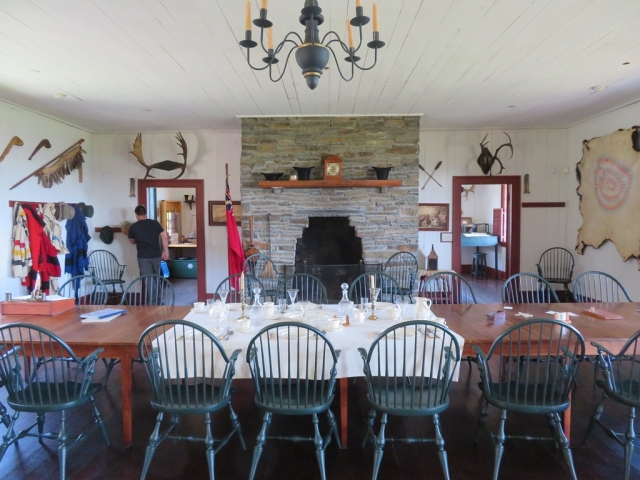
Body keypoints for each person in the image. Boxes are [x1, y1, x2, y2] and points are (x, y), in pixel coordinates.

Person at [128, 205, 169, 275]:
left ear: (136, 214)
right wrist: (166, 251)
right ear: (145, 214)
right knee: (158, 278)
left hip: (143, 256)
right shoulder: (155, 223)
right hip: (156, 255)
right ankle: (158, 286)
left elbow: (132, 242)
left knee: (148, 279)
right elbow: (164, 237)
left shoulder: (133, 227)